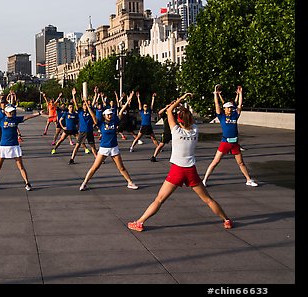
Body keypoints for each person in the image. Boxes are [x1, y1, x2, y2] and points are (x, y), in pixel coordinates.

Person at [127, 92, 234, 232]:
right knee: (208, 199)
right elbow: (186, 118)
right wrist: (186, 107)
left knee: (159, 200)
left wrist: (182, 98)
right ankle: (226, 220)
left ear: (179, 120)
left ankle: (139, 222)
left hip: (177, 170)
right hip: (191, 170)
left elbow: (169, 110)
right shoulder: (195, 130)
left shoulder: (176, 131)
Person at [79, 90, 139, 191]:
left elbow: (120, 111)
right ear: (104, 116)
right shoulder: (101, 123)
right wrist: (87, 104)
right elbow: (93, 115)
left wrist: (129, 99)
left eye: (111, 114)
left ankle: (130, 182)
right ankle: (84, 183)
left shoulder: (114, 121)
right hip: (103, 148)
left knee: (121, 168)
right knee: (95, 167)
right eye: (108, 115)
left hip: (114, 148)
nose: (110, 116)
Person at [0, 104, 42, 191]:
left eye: (12, 111)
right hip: (4, 146)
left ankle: (27, 183)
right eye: (10, 112)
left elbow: (28, 117)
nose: (12, 113)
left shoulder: (16, 119)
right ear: (5, 112)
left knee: (21, 166)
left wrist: (38, 113)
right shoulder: (1, 120)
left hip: (15, 146)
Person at [201, 85, 258, 187]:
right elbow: (216, 104)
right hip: (225, 143)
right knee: (215, 162)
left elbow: (240, 105)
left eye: (231, 108)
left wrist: (240, 93)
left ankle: (248, 180)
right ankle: (204, 180)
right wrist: (215, 94)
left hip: (235, 143)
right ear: (225, 109)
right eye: (229, 108)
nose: (231, 109)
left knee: (241, 163)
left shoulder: (235, 115)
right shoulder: (221, 116)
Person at [69, 87, 98, 164]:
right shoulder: (80, 111)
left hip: (89, 131)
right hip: (82, 131)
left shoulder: (90, 110)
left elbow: (94, 101)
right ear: (82, 106)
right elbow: (75, 103)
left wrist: (95, 93)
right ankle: (72, 159)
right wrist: (74, 95)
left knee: (92, 146)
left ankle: (98, 159)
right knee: (77, 145)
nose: (86, 106)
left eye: (86, 104)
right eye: (84, 105)